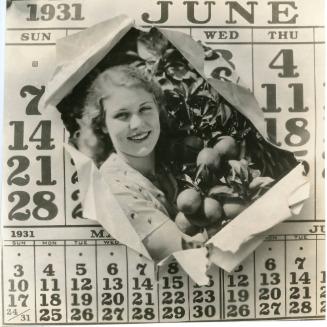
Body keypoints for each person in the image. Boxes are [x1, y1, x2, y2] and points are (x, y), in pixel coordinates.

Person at [78, 65, 191, 260]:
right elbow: (187, 256)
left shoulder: (173, 161)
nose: (137, 124)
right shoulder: (113, 190)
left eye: (145, 108)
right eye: (122, 115)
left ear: (157, 109)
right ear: (103, 125)